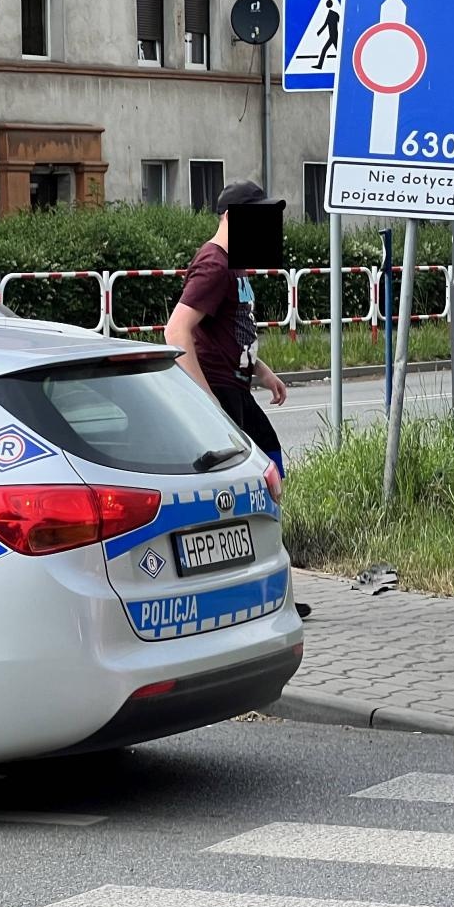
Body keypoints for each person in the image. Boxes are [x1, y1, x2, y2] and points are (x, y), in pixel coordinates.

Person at [164, 180, 310, 619]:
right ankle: (256, 590)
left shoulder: (234, 264)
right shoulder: (213, 264)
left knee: (269, 473)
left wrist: (263, 372)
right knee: (251, 486)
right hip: (220, 391)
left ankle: (271, 584)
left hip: (238, 386)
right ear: (231, 217)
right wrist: (206, 401)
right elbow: (176, 331)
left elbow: (229, 331)